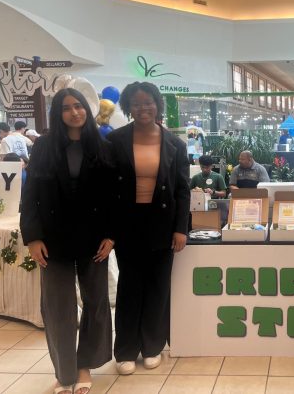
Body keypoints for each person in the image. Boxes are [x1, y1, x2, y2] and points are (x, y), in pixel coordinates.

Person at [20, 88, 115, 394]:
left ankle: (85, 364)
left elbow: (115, 197)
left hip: (93, 240)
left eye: (79, 106)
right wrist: (33, 238)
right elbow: (30, 194)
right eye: (67, 108)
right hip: (53, 240)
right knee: (58, 307)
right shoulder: (45, 146)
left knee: (96, 302)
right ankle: (65, 373)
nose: (75, 112)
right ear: (57, 113)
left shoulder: (101, 145)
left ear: (87, 110)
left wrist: (111, 235)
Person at [107, 81, 190, 375]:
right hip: (127, 223)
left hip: (162, 223)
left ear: (158, 105)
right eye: (137, 103)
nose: (144, 108)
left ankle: (153, 346)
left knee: (158, 286)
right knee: (130, 287)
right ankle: (126, 350)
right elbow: (105, 188)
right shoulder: (115, 141)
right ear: (128, 107)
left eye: (149, 102)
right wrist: (108, 230)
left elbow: (183, 189)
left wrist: (181, 229)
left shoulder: (175, 144)